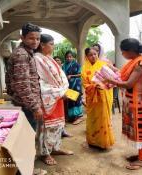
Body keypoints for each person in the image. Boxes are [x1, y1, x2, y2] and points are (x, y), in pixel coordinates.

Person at [105, 38, 142, 170]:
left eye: (123, 52)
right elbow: (123, 75)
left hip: (139, 103)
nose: (122, 54)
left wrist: (109, 79)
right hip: (132, 101)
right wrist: (111, 69)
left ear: (131, 51)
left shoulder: (140, 63)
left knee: (140, 130)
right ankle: (141, 155)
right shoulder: (134, 62)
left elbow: (128, 83)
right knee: (136, 130)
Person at [5, 23, 47, 175]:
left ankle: (24, 170)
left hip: (24, 104)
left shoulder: (25, 52)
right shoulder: (22, 55)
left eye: (37, 38)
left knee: (25, 139)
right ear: (22, 37)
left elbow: (17, 84)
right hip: (27, 107)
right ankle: (25, 171)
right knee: (26, 140)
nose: (35, 41)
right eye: (31, 38)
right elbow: (23, 86)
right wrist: (35, 107)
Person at [34, 34, 74, 166]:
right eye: (51, 44)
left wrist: (63, 91)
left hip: (57, 97)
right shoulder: (37, 59)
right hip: (49, 98)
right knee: (46, 128)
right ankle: (45, 153)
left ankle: (55, 148)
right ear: (42, 45)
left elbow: (60, 77)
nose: (53, 46)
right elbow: (39, 83)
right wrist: (59, 92)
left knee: (58, 125)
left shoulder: (48, 58)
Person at [81, 47, 115, 150]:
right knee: (92, 119)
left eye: (95, 54)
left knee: (103, 118)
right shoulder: (84, 68)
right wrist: (93, 86)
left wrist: (103, 85)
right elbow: (85, 84)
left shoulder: (103, 65)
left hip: (103, 95)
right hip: (91, 97)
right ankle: (92, 141)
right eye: (90, 55)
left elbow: (112, 79)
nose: (93, 56)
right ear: (87, 56)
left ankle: (103, 142)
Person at [53, 56, 73, 138]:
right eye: (56, 60)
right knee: (56, 115)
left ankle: (63, 131)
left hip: (64, 94)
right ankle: (57, 132)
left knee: (63, 113)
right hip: (55, 95)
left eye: (59, 60)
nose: (57, 62)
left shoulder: (62, 69)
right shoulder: (51, 70)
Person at [62, 51, 84, 125]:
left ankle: (78, 116)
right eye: (67, 57)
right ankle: (72, 117)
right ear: (65, 57)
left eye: (70, 56)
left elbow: (80, 74)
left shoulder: (76, 64)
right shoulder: (64, 66)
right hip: (68, 85)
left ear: (73, 57)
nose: (69, 58)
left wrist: (71, 76)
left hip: (76, 85)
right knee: (70, 100)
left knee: (76, 100)